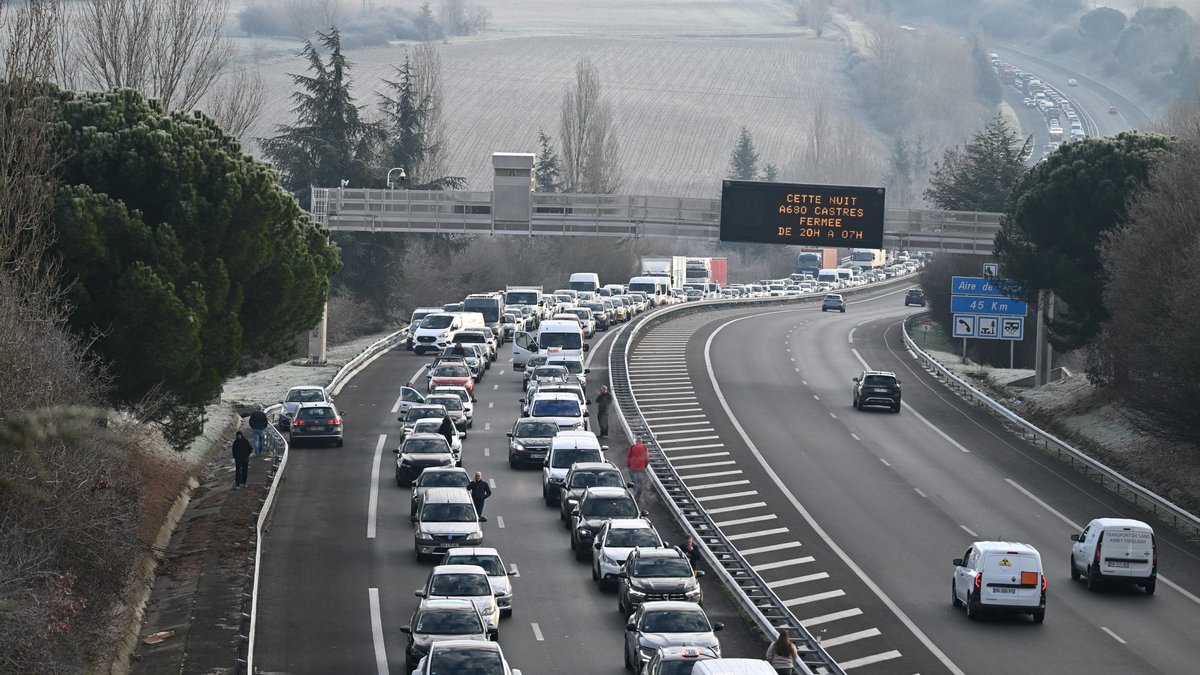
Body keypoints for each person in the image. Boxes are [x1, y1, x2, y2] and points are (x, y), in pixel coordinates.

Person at [625, 436, 649, 502]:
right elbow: (647, 459)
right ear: (641, 441)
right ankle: (637, 497)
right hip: (641, 468)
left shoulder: (632, 447)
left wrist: (628, 465)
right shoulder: (644, 448)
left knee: (634, 481)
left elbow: (628, 457)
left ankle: (634, 494)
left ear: (636, 441)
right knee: (640, 482)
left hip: (633, 468)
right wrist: (645, 466)